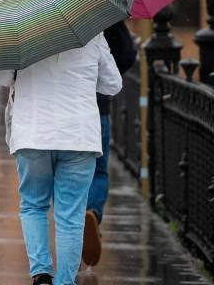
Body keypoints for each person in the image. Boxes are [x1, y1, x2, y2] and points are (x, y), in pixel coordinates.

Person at [0, 33, 122, 285]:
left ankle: (41, 274)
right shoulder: (92, 33)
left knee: (33, 205)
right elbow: (112, 84)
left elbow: (4, 78)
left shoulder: (18, 30)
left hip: (33, 132)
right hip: (78, 135)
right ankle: (65, 281)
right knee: (71, 215)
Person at [82, 21, 137, 267]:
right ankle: (92, 211)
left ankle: (71, 231)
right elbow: (126, 54)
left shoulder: (44, 7)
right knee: (98, 170)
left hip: (56, 109)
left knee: (62, 173)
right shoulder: (102, 10)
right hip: (96, 105)